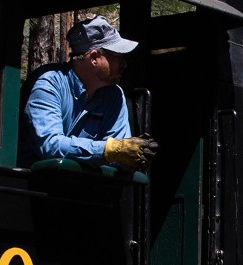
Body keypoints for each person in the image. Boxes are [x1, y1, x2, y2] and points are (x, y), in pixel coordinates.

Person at [21, 15, 157, 170]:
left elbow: (120, 155)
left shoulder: (114, 95)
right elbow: (50, 145)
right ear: (94, 58)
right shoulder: (49, 83)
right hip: (25, 185)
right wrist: (108, 150)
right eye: (118, 57)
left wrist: (125, 155)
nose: (124, 64)